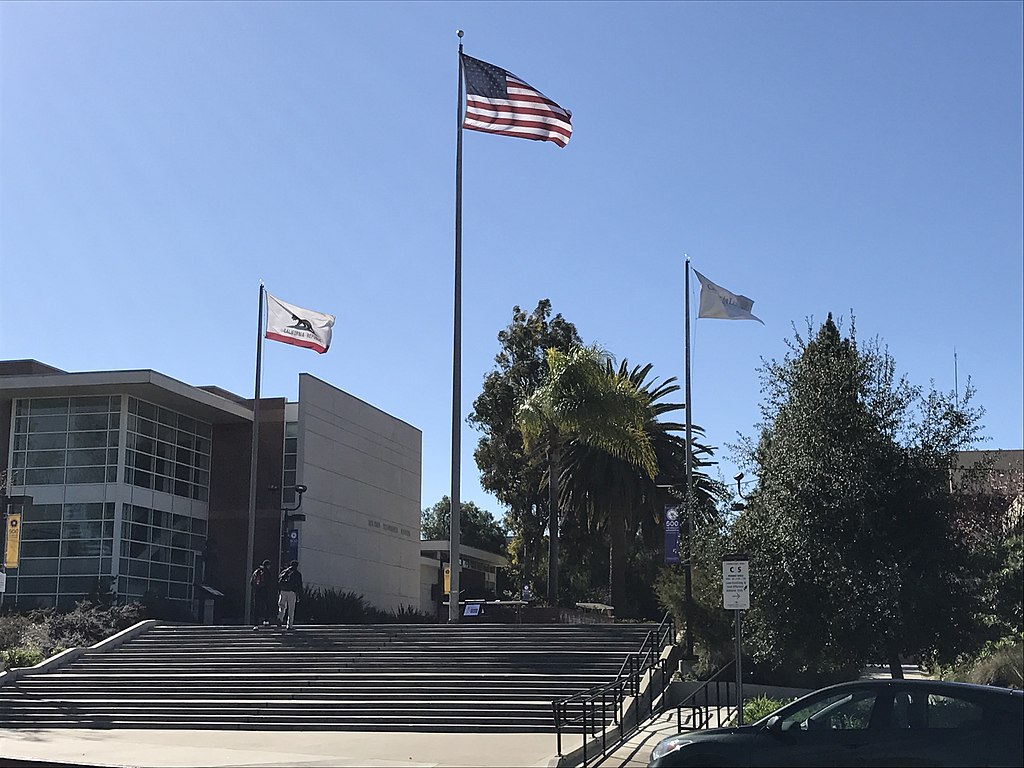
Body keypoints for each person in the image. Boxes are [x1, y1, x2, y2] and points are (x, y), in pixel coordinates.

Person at [277, 559, 302, 630]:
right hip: (292, 592)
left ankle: (280, 618)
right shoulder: (297, 574)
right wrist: (299, 595)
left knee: (281, 606)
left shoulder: (284, 572)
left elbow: (279, 580)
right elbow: (299, 585)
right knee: (291, 609)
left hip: (283, 591)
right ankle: (289, 625)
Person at [250, 558, 273, 630]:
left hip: (257, 591)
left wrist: (256, 588)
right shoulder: (267, 572)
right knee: (267, 605)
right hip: (265, 591)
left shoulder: (257, 571)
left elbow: (251, 582)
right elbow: (269, 582)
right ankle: (266, 620)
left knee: (256, 608)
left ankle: (255, 624)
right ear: (267, 565)